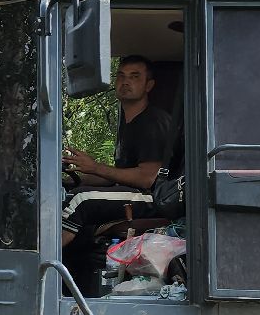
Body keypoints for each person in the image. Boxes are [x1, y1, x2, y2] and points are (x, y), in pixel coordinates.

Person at [60, 54, 177, 250]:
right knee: (65, 194)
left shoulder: (153, 122)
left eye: (135, 76)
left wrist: (96, 167)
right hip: (136, 192)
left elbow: (147, 178)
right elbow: (116, 177)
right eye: (121, 76)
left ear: (149, 85)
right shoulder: (128, 122)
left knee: (80, 200)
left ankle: (42, 266)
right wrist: (73, 178)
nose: (126, 82)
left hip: (154, 197)